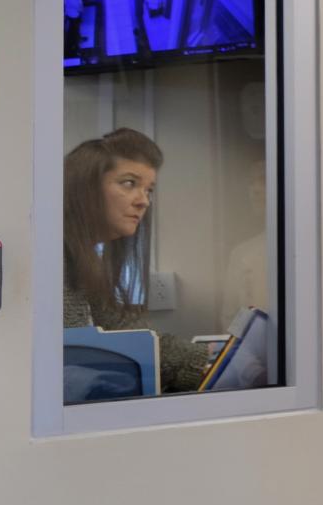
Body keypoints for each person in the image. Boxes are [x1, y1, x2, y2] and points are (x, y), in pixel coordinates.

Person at [61, 127, 213, 394]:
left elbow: (130, 335)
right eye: (129, 183)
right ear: (85, 187)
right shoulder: (46, 260)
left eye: (149, 190)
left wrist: (210, 360)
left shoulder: (85, 259)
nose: (144, 201)